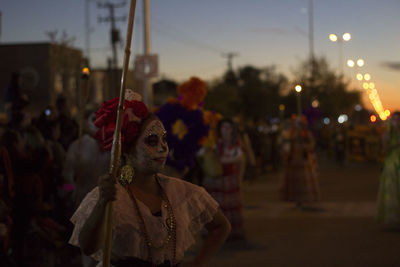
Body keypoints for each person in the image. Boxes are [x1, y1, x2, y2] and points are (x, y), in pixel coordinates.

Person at [69, 93, 231, 266]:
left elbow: (221, 227)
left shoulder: (179, 190)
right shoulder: (110, 196)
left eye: (164, 139)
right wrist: (102, 204)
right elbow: (87, 247)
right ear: (126, 150)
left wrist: (197, 263)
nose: (162, 147)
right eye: (152, 141)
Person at [203, 118, 246, 242]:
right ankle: (215, 230)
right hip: (215, 179)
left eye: (229, 128)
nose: (226, 130)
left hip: (229, 179)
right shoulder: (215, 143)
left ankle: (230, 231)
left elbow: (239, 159)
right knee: (216, 206)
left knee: (229, 206)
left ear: (233, 130)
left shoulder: (235, 144)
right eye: (223, 127)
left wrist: (239, 178)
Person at [280, 115, 320, 209]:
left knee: (304, 181)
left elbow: (312, 144)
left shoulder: (306, 134)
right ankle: (296, 199)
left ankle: (305, 198)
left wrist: (306, 147)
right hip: (293, 162)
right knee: (295, 182)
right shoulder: (290, 134)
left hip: (304, 162)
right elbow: (286, 144)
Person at [376, 111, 400, 230]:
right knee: (392, 192)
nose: (397, 123)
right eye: (395, 120)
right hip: (392, 165)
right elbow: (385, 149)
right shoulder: (388, 134)